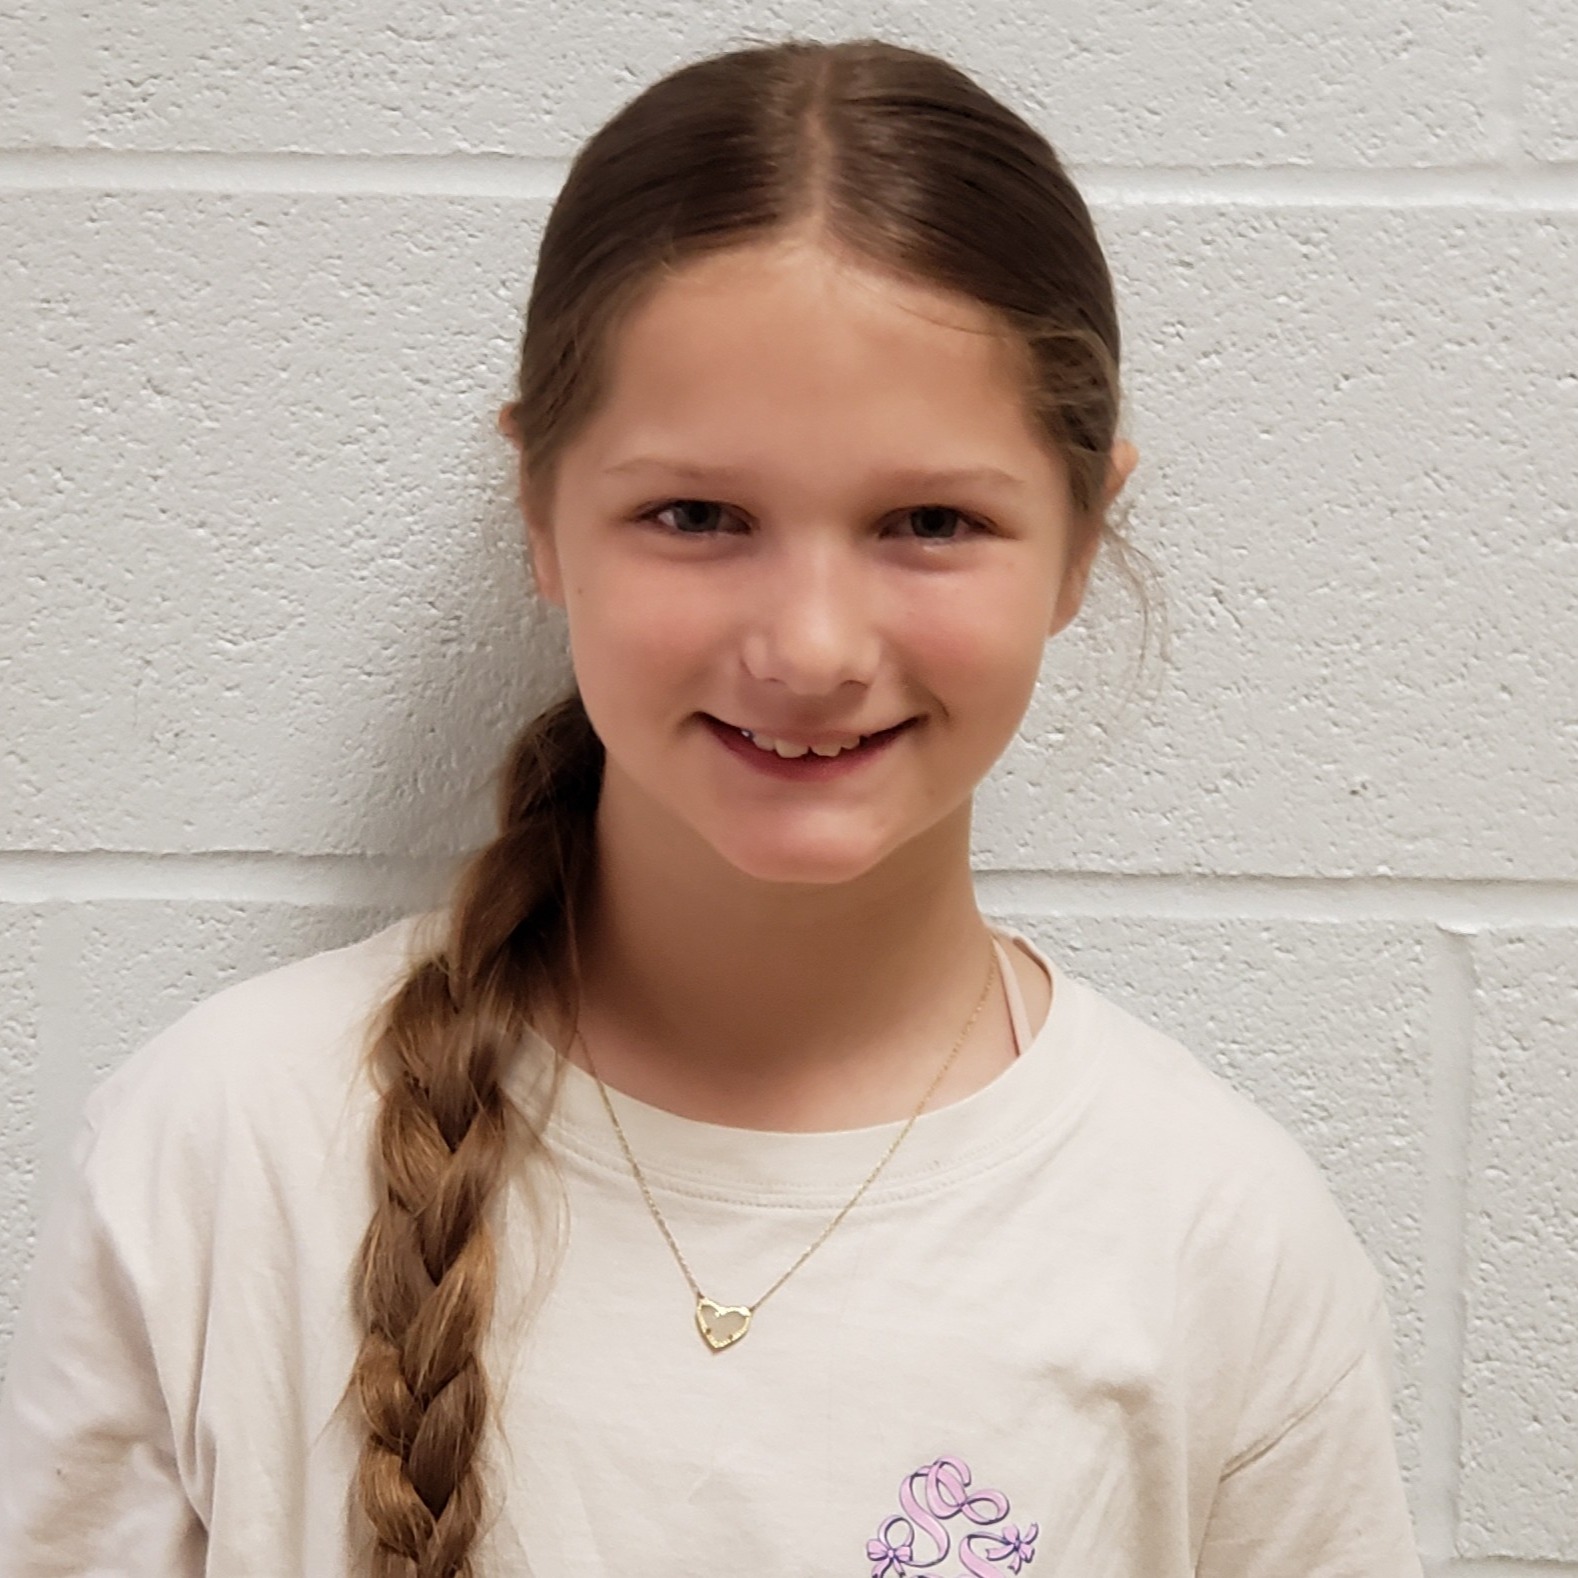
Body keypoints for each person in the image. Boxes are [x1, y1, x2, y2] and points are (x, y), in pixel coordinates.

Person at [0, 35, 1423, 1578]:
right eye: (696, 514)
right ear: (541, 511)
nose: (808, 646)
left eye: (930, 521)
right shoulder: (217, 1156)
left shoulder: (1221, 1240)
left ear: (1079, 542)